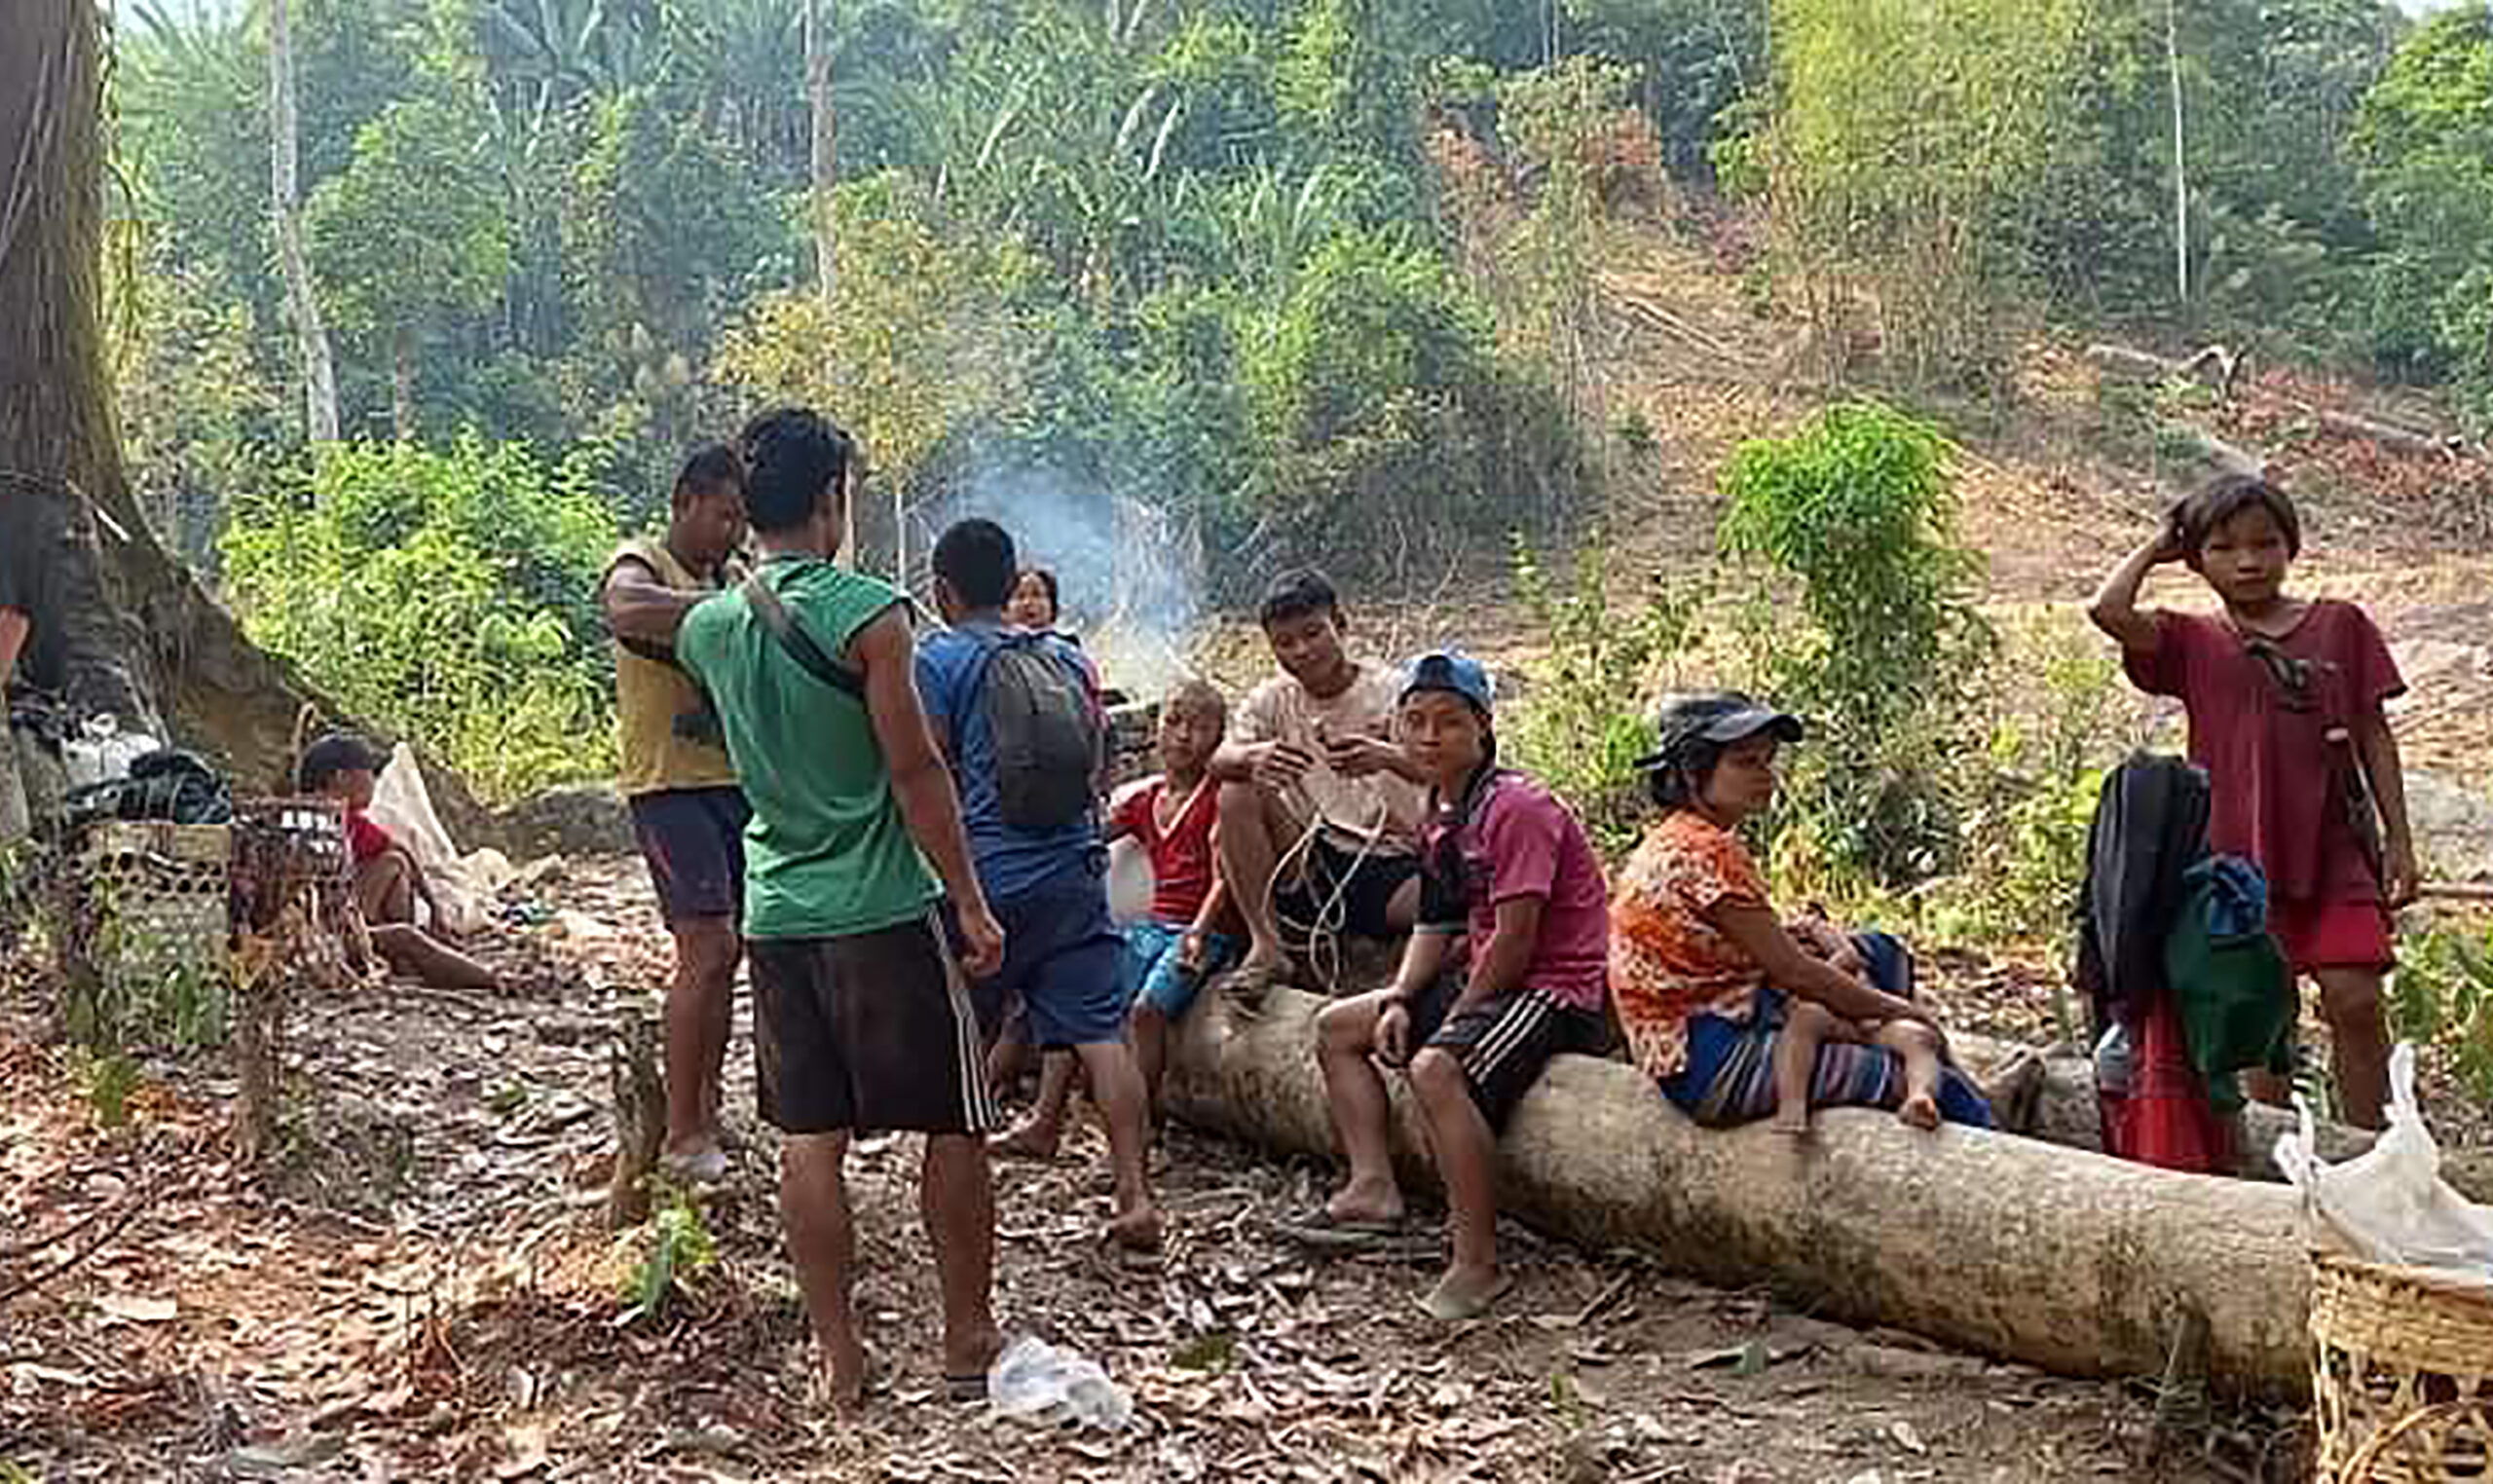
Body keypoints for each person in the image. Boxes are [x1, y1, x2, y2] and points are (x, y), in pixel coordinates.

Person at [675, 407, 1008, 1411]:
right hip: (882, 909)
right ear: (833, 498)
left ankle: (841, 1360)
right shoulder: (869, 613)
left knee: (806, 1143)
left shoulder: (709, 625)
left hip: (776, 910)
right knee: (953, 1123)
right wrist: (972, 903)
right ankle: (963, 1337)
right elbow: (915, 770)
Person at [2087, 473, 2412, 1129]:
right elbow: (2108, 610)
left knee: (2355, 999)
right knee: (2261, 1007)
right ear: (2197, 558)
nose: (2248, 561)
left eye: (2265, 543)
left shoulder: (2340, 626)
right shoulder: (2190, 640)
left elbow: (2374, 731)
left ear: (2291, 547)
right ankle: (2274, 1159)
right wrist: (2158, 544)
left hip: (2334, 847)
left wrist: (2399, 839)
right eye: (2224, 547)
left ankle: (2376, 1146)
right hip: (2237, 859)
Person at [1307, 652, 1611, 1322]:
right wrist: (1397, 996)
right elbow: (1437, 918)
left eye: (1448, 721)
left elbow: (1517, 939)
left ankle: (1477, 1263)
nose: (1427, 736)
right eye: (1413, 721)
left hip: (1553, 986)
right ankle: (1373, 1185)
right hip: (1484, 970)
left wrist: (1453, 1015)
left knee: (1436, 1068)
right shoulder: (1442, 809)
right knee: (1335, 1028)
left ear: (1484, 728)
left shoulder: (1517, 807)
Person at [917, 518, 1162, 1251]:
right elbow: (1099, 758)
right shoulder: (1070, 659)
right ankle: (1136, 1196)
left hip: (988, 880)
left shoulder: (943, 658)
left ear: (944, 591)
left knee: (967, 1037)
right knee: (1103, 1037)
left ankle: (957, 1211)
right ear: (1009, 582)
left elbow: (927, 770)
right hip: (1075, 872)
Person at [1608, 694, 1990, 1133]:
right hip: (1708, 1060)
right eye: (1746, 763)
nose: (1765, 777)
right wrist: (1905, 1009)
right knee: (1909, 1078)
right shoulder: (1703, 852)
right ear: (1694, 773)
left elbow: (1743, 941)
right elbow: (1795, 972)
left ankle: (1923, 1059)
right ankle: (1982, 1131)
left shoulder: (1680, 837)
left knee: (1881, 952)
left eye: (1767, 762)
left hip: (1715, 1017)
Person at [1000, 678, 1239, 1156]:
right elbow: (1088, 838)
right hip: (1148, 926)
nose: (1183, 736)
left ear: (1219, 738)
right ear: (1156, 730)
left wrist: (1200, 930)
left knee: (1146, 1013)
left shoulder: (1220, 798)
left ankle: (1138, 1126)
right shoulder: (1146, 799)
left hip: (1200, 931)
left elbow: (1226, 875)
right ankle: (1046, 1120)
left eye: (1199, 727)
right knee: (1074, 1001)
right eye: (1174, 722)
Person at [599, 444, 752, 1186]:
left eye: (741, 519)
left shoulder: (733, 576)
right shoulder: (645, 562)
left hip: (736, 784)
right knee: (708, 948)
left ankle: (708, 1108)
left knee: (731, 953)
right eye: (722, 514)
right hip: (670, 788)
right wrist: (722, 611)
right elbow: (624, 609)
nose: (731, 530)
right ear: (686, 499)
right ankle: (683, 1133)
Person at [1211, 570, 1427, 994]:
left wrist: (1386, 756)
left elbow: (1452, 770)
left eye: (1313, 633)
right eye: (1285, 643)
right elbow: (1218, 760)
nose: (1301, 650)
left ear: (1340, 625)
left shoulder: (1395, 692)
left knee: (1459, 906)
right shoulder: (1273, 699)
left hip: (1391, 855)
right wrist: (1253, 756)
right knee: (1236, 790)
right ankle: (1267, 947)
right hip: (1309, 856)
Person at [297, 733, 501, 992]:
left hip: (341, 922)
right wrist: (433, 913)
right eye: (369, 773)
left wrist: (434, 908)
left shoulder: (344, 818)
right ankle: (497, 982)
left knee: (393, 862)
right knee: (405, 935)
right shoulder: (313, 819)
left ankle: (400, 960)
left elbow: (398, 852)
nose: (374, 782)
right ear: (341, 777)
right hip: (322, 940)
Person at [1006, 568, 1062, 632]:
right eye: (1020, 596)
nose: (1027, 602)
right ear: (1005, 611)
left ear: (1052, 609)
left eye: (1037, 595)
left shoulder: (1066, 641)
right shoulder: (993, 640)